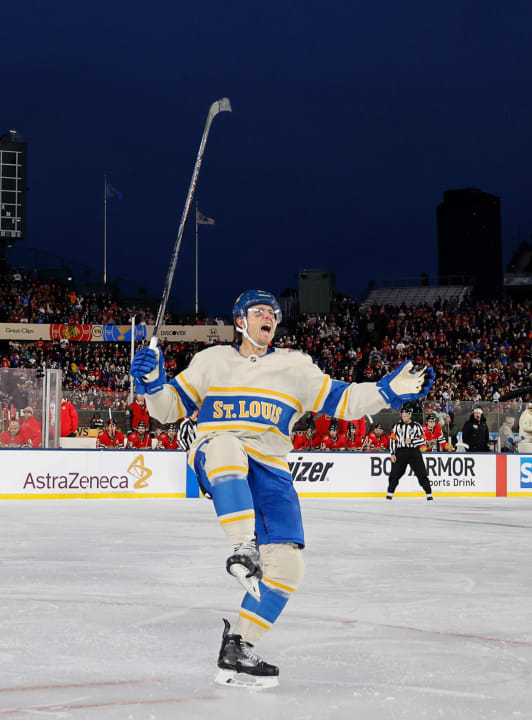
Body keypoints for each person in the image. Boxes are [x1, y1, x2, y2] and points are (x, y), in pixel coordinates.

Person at [129, 289, 432, 689]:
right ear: (240, 321)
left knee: (289, 567)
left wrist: (385, 391)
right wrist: (152, 381)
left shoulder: (295, 366)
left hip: (271, 467)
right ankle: (243, 546)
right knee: (225, 445)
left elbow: (341, 399)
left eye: (272, 312)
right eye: (258, 312)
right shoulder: (211, 361)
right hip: (220, 453)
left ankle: (239, 646)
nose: (267, 317)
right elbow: (167, 410)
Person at [385, 408, 432, 501]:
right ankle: (389, 494)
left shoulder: (416, 426)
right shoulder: (397, 426)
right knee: (395, 473)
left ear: (410, 415)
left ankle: (429, 493)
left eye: (406, 415)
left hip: (414, 452)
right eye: (403, 415)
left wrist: (412, 441)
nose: (404, 417)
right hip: (400, 452)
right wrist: (392, 454)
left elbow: (423, 439)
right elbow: (392, 440)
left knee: (421, 473)